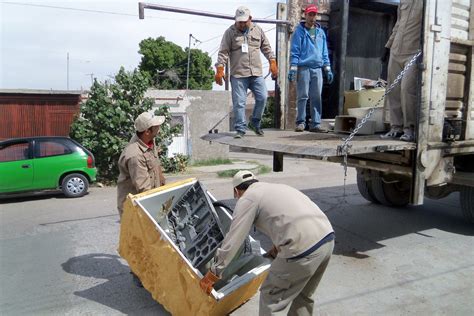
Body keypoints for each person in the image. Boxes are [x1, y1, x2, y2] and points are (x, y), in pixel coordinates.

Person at [200, 170, 334, 315]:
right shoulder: (275, 188)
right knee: (303, 295)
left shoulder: (248, 198)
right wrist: (277, 247)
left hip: (302, 251)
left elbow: (233, 239)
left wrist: (214, 272)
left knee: (270, 296)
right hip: (327, 239)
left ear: (236, 191)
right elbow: (287, 216)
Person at [215, 6, 278, 139]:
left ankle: (255, 123)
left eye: (244, 21)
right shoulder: (230, 32)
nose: (242, 24)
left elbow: (266, 47)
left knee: (262, 98)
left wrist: (272, 61)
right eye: (239, 21)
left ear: (250, 19)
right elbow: (223, 52)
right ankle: (240, 129)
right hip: (238, 74)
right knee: (239, 103)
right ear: (235, 20)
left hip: (256, 73)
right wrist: (220, 68)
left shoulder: (258, 30)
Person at [381, 0, 422, 142]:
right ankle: (396, 128)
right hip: (396, 51)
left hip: (413, 52)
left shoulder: (428, 3)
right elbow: (398, 24)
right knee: (393, 90)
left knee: (407, 89)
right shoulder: (403, 2)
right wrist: (388, 46)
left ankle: (410, 129)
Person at [289, 4, 333, 133]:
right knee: (303, 95)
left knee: (316, 97)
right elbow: (295, 51)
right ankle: (300, 122)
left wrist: (328, 69)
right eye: (310, 14)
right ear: (305, 15)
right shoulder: (299, 31)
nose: (312, 17)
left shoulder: (320, 33)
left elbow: (324, 52)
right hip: (304, 68)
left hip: (317, 69)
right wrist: (293, 68)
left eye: (314, 14)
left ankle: (315, 124)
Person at [117, 111, 166, 219]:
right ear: (147, 131)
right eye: (156, 126)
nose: (159, 127)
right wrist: (159, 209)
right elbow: (144, 190)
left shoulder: (149, 139)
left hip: (147, 201)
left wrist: (162, 182)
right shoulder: (135, 156)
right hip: (134, 210)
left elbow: (155, 160)